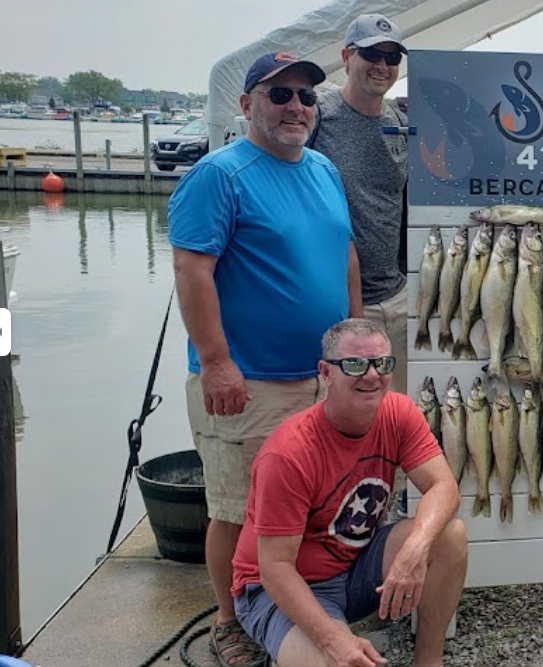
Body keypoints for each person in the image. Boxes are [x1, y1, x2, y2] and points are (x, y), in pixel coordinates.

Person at [169, 52, 362, 667]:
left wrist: (353, 340)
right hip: (249, 382)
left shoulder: (325, 168)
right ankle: (229, 621)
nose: (296, 107)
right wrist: (217, 363)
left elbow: (345, 255)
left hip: (320, 380)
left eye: (307, 96)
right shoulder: (218, 175)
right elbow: (191, 270)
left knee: (302, 507)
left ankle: (288, 605)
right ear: (247, 104)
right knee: (235, 509)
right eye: (280, 94)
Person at [231, 319, 466, 667]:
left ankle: (429, 662)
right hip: (281, 589)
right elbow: (275, 568)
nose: (371, 375)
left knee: (449, 535)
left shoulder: (400, 412)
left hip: (353, 566)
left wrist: (415, 549)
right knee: (339, 661)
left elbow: (443, 486)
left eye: (382, 363)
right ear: (325, 373)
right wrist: (332, 640)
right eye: (354, 365)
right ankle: (294, 643)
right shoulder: (287, 454)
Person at [311, 13, 411, 395]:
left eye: (391, 57)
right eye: (372, 55)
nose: (382, 66)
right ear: (346, 57)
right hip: (334, 303)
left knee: (395, 415)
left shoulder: (401, 123)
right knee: (340, 418)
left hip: (396, 299)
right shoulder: (318, 115)